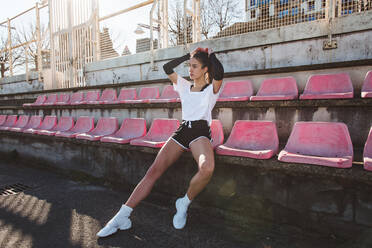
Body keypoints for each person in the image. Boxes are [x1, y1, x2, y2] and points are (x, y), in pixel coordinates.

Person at [97, 47, 224, 237]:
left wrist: (211, 54)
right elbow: (167, 67)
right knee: (153, 171)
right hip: (182, 131)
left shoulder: (211, 90)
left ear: (206, 69)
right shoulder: (183, 85)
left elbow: (220, 72)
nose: (190, 69)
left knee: (207, 168)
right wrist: (187, 56)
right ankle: (122, 215)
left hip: (200, 132)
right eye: (189, 66)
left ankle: (184, 202)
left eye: (195, 66)